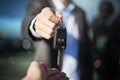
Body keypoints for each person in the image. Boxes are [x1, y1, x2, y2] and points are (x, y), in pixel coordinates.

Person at [22, 0, 92, 80]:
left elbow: (86, 46)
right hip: (48, 74)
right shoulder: (39, 3)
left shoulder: (81, 12)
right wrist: (36, 23)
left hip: (77, 76)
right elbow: (26, 23)